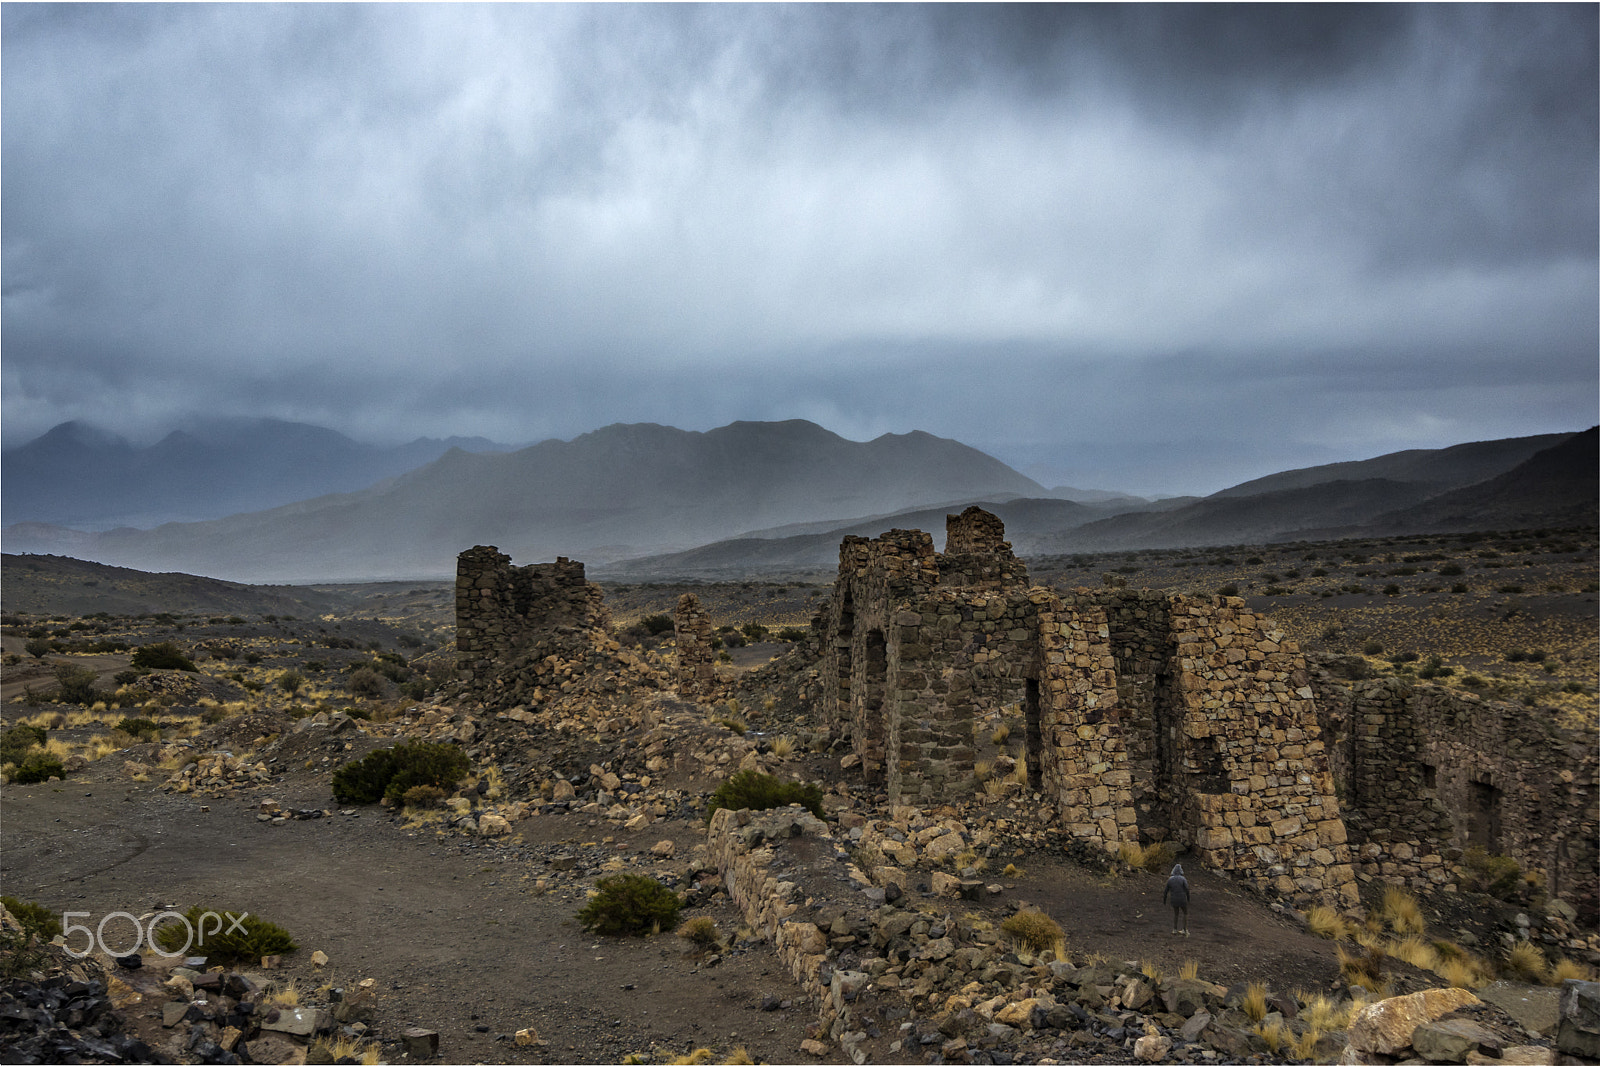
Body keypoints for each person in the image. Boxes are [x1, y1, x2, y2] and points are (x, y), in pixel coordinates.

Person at [1163, 862, 1190, 936]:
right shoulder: (1183, 879)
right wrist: (1188, 898)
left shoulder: (1170, 879)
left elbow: (1166, 891)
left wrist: (1164, 900)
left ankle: (1174, 929)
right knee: (1185, 913)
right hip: (1182, 899)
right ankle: (1185, 929)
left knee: (1176, 914)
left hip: (1174, 899)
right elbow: (1187, 889)